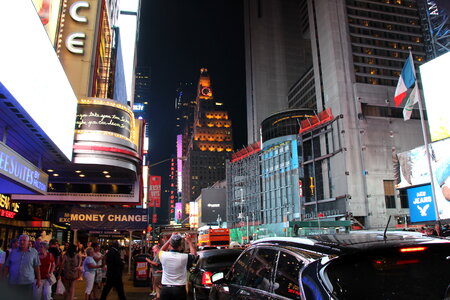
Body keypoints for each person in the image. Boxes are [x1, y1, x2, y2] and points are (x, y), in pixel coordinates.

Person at [159, 233, 197, 300]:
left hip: (165, 289)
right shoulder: (185, 257)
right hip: (179, 289)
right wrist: (189, 242)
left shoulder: (163, 255)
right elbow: (194, 255)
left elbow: (161, 250)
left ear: (170, 245)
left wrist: (170, 238)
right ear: (180, 246)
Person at [4, 234, 41, 299]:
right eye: (20, 240)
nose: (22, 242)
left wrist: (38, 279)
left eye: (24, 240)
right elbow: (7, 266)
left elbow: (36, 266)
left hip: (27, 282)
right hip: (13, 282)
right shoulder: (13, 252)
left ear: (28, 242)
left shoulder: (34, 252)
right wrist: (4, 278)